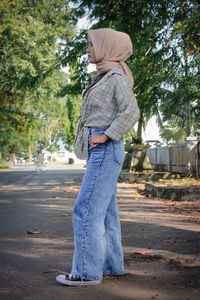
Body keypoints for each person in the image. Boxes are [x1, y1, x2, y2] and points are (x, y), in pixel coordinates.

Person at [56, 28, 140, 287]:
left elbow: (131, 111)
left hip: (105, 148)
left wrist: (105, 135)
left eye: (92, 45)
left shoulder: (116, 77)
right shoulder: (105, 76)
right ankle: (111, 266)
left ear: (107, 47)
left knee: (86, 209)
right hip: (101, 150)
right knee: (105, 212)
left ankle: (85, 272)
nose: (88, 50)